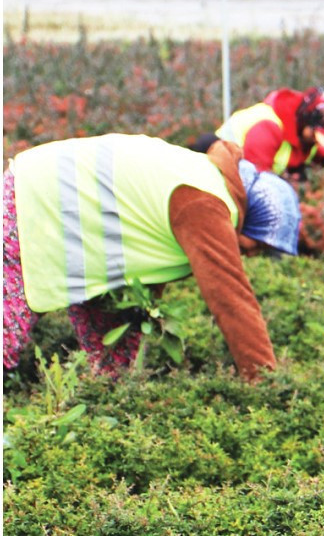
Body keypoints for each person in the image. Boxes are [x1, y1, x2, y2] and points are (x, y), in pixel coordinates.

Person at [3, 134, 301, 382]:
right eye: (258, 244)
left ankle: (104, 405)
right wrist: (265, 382)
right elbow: (231, 300)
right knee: (5, 336)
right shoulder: (205, 203)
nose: (252, 253)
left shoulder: (205, 180)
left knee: (115, 367)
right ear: (253, 219)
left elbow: (148, 257)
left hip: (73, 222)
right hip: (33, 202)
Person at [190, 86, 324, 178]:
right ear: (306, 121)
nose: (317, 141)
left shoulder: (303, 132)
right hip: (218, 175)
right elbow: (255, 182)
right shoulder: (268, 128)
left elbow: (306, 152)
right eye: (316, 135)